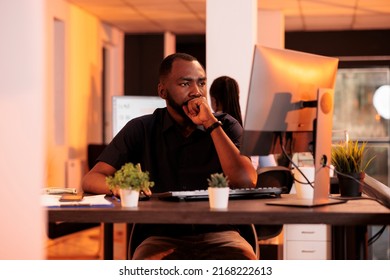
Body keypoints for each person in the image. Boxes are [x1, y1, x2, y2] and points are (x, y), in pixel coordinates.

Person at [82, 53, 258, 260]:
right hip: (161, 237)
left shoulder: (226, 125)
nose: (196, 92)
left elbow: (247, 181)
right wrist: (119, 187)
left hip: (221, 233)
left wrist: (210, 124)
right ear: (162, 91)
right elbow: (91, 178)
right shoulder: (142, 128)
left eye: (201, 83)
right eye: (185, 84)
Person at [209, 75, 277, 169]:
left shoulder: (210, 124)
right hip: (251, 180)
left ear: (213, 100)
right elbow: (270, 167)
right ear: (237, 97)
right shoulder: (253, 123)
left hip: (220, 182)